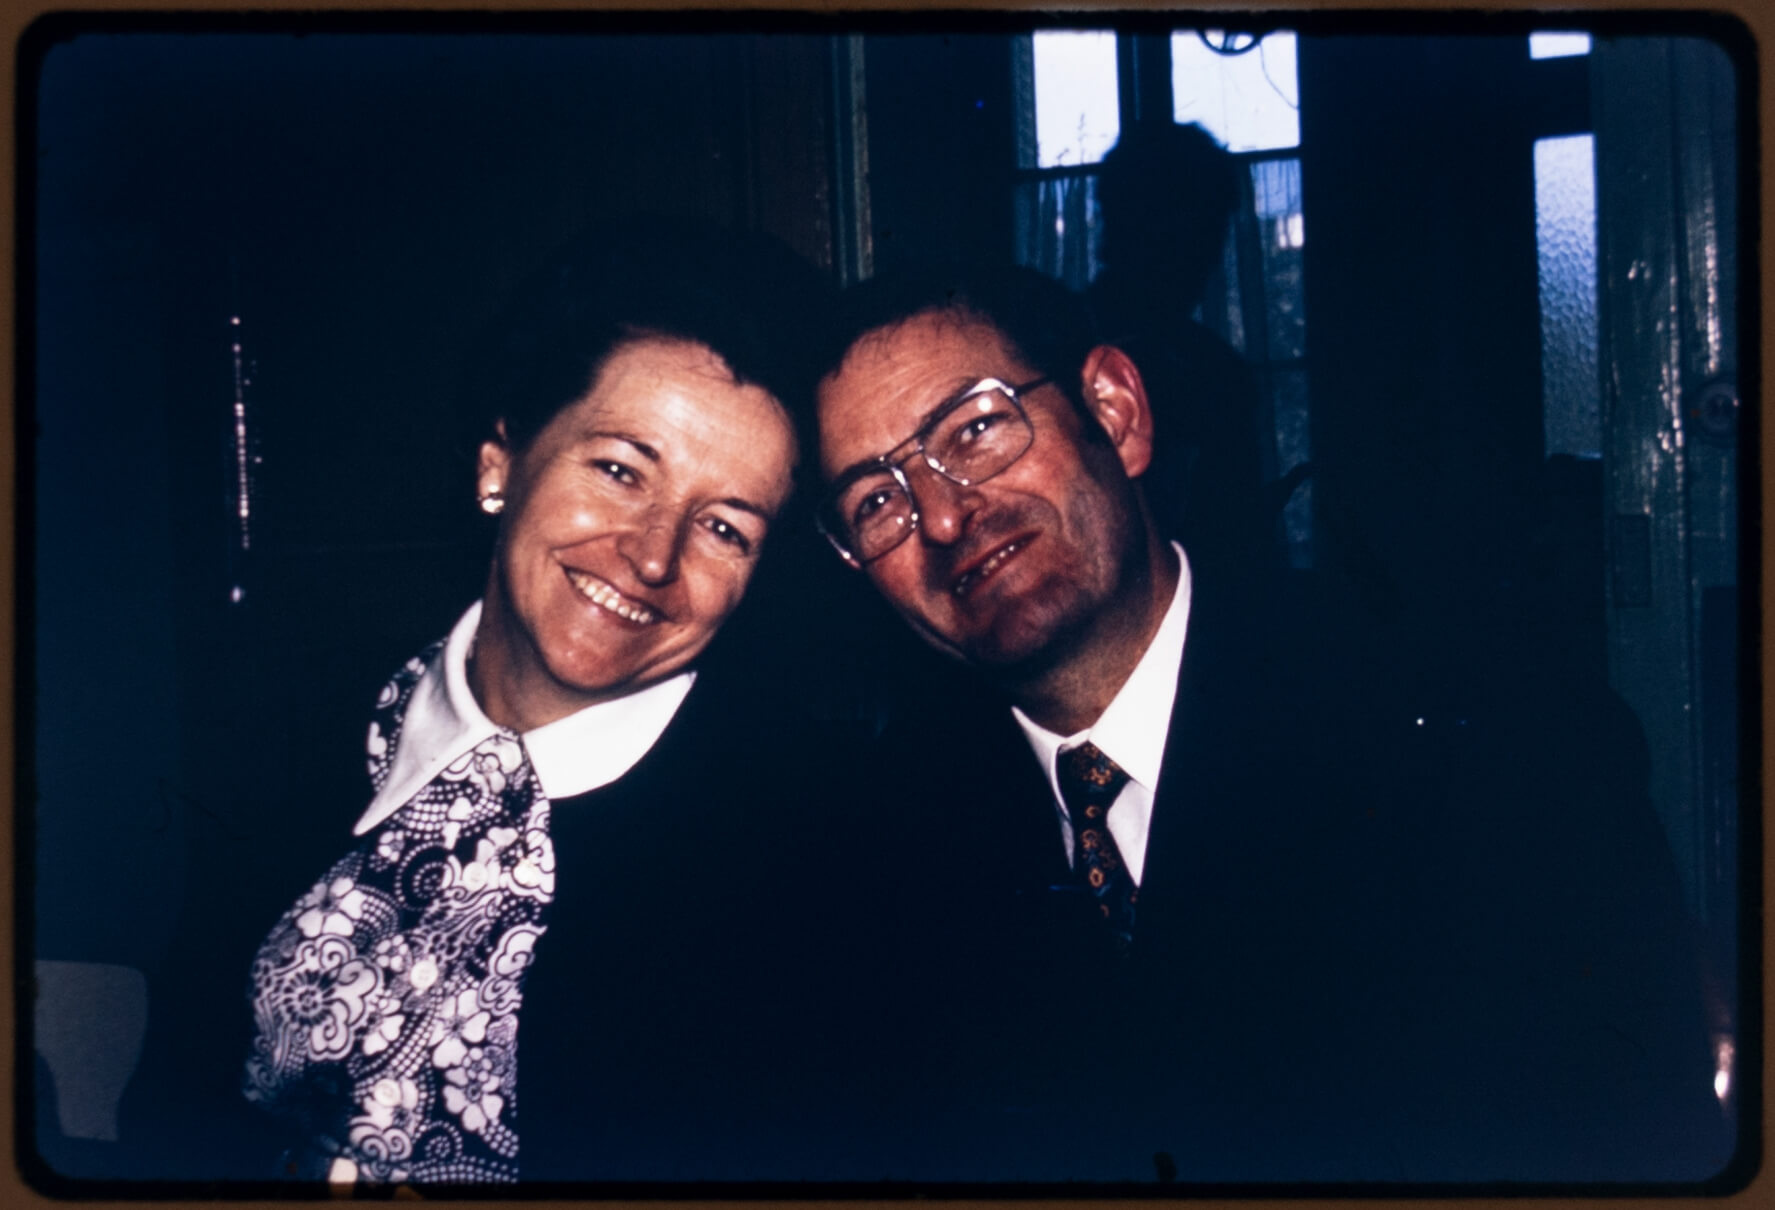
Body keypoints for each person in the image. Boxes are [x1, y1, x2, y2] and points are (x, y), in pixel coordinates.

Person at [811, 261, 1728, 1183]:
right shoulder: (872, 853)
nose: (941, 517)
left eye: (974, 429)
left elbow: (1623, 1142)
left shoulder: (1474, 733)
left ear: (1115, 412)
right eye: (876, 500)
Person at [119, 222, 849, 1188]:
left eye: (724, 527)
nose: (652, 556)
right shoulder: (290, 728)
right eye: (619, 470)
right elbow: (170, 1104)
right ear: (500, 462)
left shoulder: (809, 853)